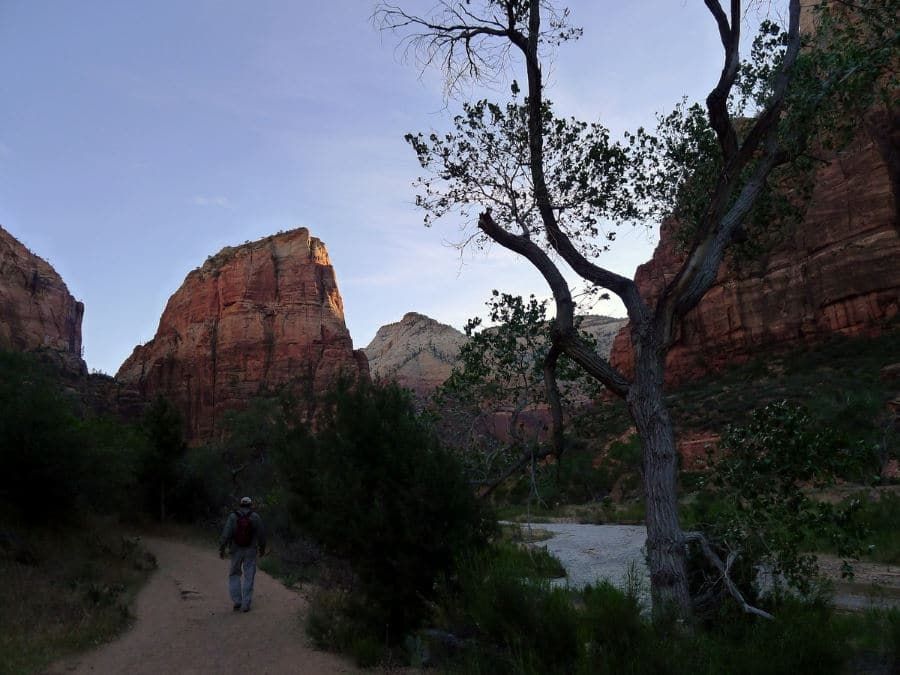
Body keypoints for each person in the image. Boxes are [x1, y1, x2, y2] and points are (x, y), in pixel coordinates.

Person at [219, 496, 266, 612]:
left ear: (240, 505)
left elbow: (226, 534)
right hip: (251, 550)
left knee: (234, 574)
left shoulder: (233, 516)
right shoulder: (255, 517)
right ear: (250, 505)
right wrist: (262, 549)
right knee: (249, 576)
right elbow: (261, 535)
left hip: (236, 550)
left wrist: (222, 548)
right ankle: (246, 604)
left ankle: (237, 601)